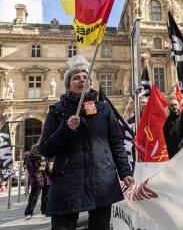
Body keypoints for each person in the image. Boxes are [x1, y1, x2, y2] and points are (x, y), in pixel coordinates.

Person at [39, 55, 134, 230]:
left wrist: (124, 171)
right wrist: (66, 129)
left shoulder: (103, 108)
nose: (82, 80)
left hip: (101, 179)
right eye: (76, 78)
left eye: (85, 77)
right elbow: (45, 148)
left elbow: (116, 143)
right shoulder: (57, 110)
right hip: (68, 181)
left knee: (101, 226)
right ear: (68, 85)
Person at [24, 144, 51, 219]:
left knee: (44, 195)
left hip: (44, 178)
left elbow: (47, 166)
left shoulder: (44, 156)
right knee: (35, 196)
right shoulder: (35, 157)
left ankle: (44, 210)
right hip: (40, 178)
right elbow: (32, 168)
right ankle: (29, 212)